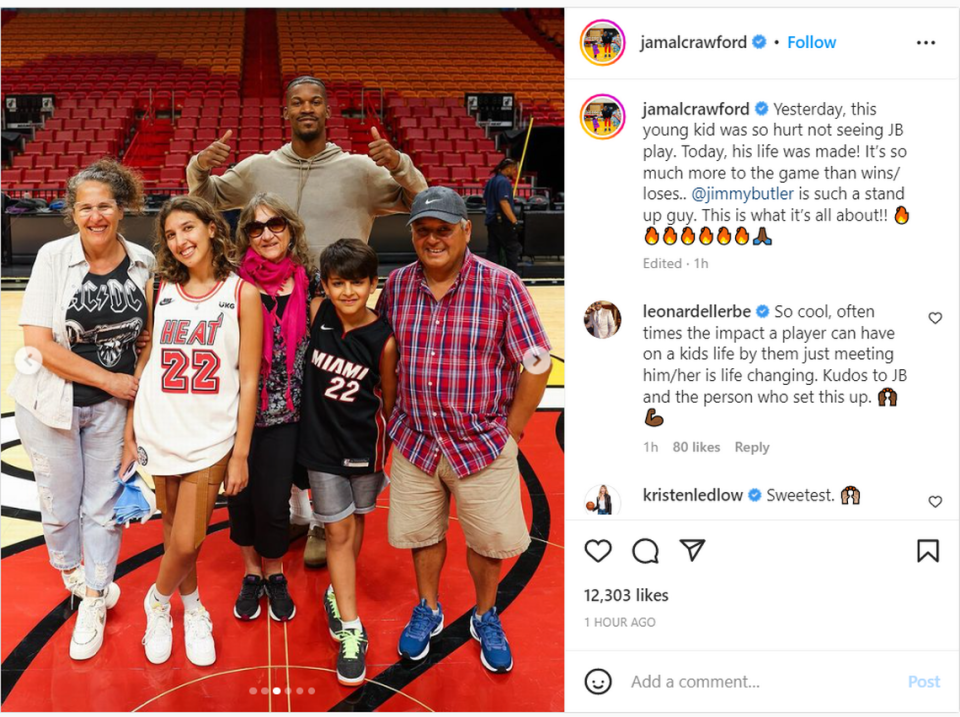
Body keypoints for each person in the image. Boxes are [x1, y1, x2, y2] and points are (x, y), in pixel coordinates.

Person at [187, 75, 427, 566]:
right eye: (297, 102)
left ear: (327, 110)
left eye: (315, 100)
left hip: (337, 304)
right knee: (282, 401)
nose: (306, 108)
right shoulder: (258, 167)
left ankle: (323, 519)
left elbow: (417, 199)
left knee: (329, 409)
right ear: (285, 113)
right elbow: (207, 198)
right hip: (274, 298)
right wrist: (198, 167)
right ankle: (296, 507)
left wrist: (399, 163)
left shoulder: (359, 169)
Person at [377, 187, 552, 674]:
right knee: (422, 535)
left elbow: (536, 362)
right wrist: (393, 417)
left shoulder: (502, 285)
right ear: (412, 232)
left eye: (443, 230)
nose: (433, 239)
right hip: (415, 441)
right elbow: (385, 354)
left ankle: (484, 613)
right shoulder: (396, 285)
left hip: (481, 443)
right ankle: (428, 608)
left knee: (488, 542)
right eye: (423, 230)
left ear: (466, 231)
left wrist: (512, 430)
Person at [9, 159, 153, 660]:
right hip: (50, 404)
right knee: (58, 507)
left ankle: (93, 594)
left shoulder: (142, 261)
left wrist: (130, 401)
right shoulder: (52, 256)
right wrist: (111, 379)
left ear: (122, 208)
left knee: (103, 507)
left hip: (112, 410)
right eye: (86, 207)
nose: (96, 216)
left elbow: (148, 338)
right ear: (72, 213)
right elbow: (41, 345)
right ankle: (71, 568)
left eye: (105, 206)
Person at [129, 196, 262, 666]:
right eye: (170, 234)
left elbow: (249, 379)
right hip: (158, 425)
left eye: (188, 229)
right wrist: (131, 428)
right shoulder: (159, 287)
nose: (180, 241)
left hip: (210, 437)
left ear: (210, 228)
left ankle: (157, 601)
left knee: (188, 539)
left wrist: (241, 452)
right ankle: (192, 607)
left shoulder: (241, 292)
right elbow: (146, 360)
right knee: (171, 533)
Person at [298, 238, 398, 686]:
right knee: (336, 530)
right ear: (327, 285)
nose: (349, 292)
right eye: (339, 283)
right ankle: (353, 631)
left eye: (358, 282)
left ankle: (340, 596)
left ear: (373, 284)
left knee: (355, 524)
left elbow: (389, 402)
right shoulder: (319, 313)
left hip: (365, 450)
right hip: (320, 447)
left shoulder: (384, 340)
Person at [228, 193, 314, 623]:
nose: (266, 234)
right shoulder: (233, 283)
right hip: (234, 413)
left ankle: (275, 574)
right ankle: (250, 574)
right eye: (255, 228)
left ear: (291, 228)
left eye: (275, 224)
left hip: (287, 416)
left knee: (275, 502)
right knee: (239, 499)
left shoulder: (307, 280)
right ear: (245, 236)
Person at [482, 158, 521, 274]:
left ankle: (489, 276)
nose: (515, 172)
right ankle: (513, 278)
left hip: (491, 220)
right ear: (508, 168)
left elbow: (485, 200)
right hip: (502, 221)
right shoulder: (503, 182)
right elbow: (503, 202)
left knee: (493, 250)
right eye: (514, 169)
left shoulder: (491, 181)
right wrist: (515, 221)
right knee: (512, 249)